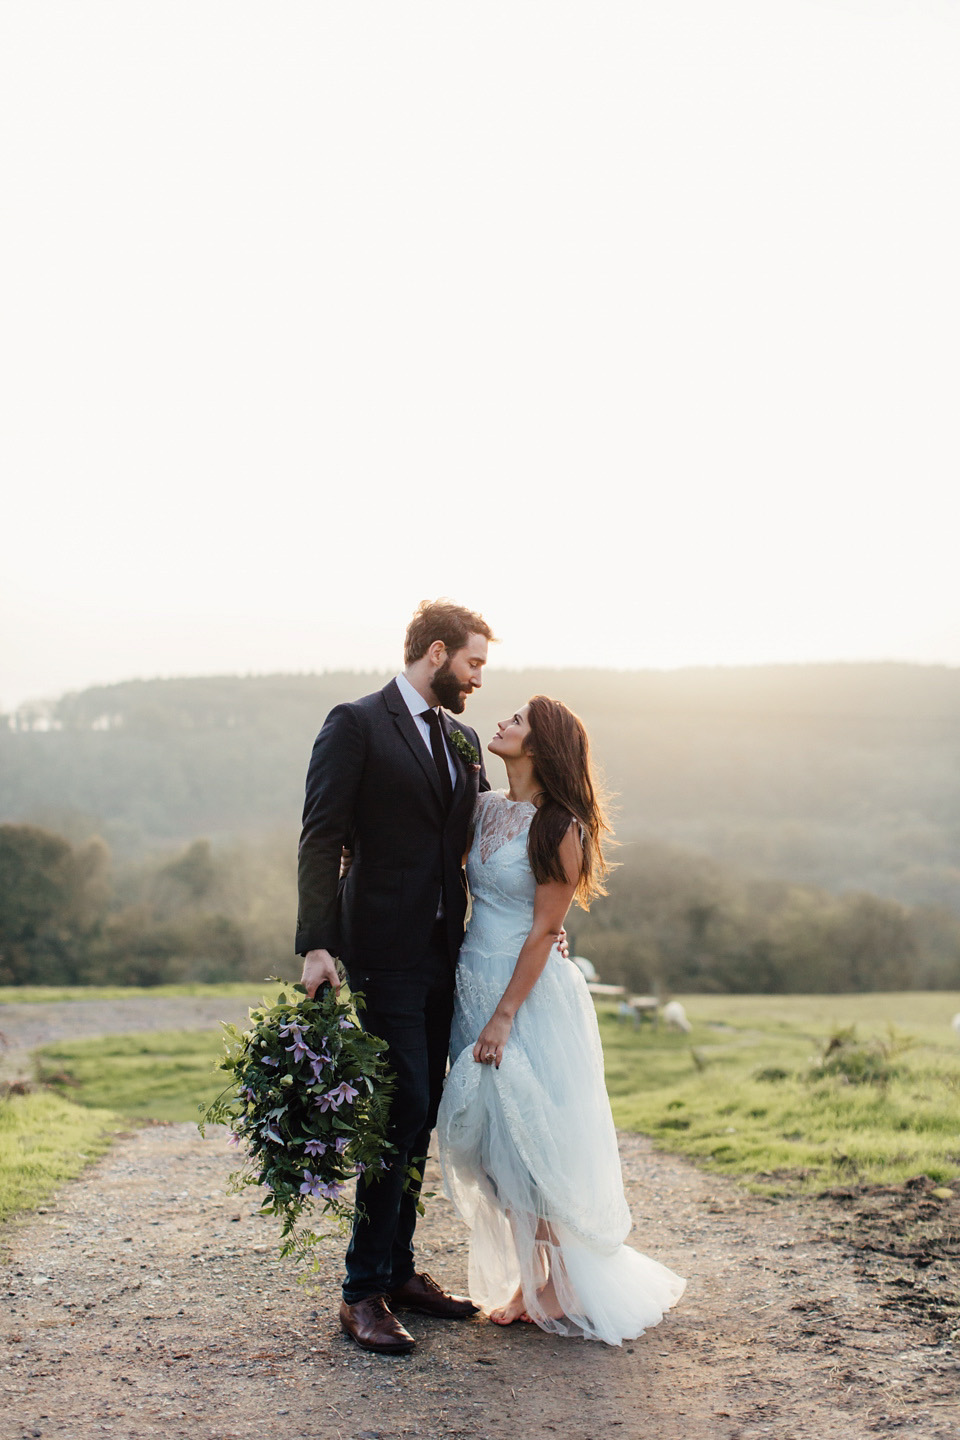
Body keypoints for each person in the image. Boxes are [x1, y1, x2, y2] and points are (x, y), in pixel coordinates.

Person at [436, 696, 686, 1345]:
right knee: (490, 1145)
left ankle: (557, 1280)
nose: (501, 723)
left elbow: (547, 929)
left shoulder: (561, 827)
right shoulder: (484, 806)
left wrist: (503, 1018)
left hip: (527, 998)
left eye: (515, 720)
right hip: (472, 980)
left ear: (540, 745)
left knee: (532, 1138)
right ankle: (535, 1275)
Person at [296, 599, 493, 1355]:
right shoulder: (355, 723)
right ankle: (361, 1292)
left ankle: (402, 1269)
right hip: (380, 949)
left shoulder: (464, 738)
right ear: (437, 653)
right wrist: (317, 946)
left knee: (424, 1110)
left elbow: (479, 836)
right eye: (473, 663)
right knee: (400, 1103)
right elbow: (321, 835)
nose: (478, 679)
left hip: (449, 954)